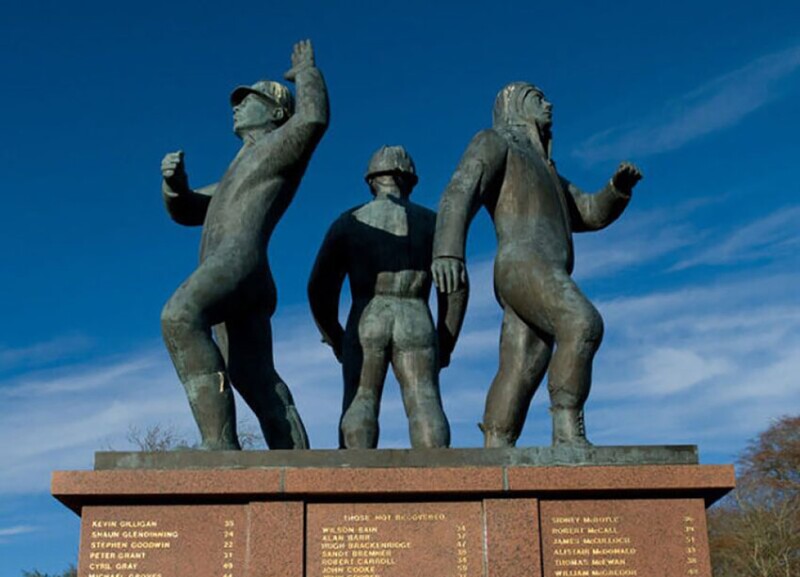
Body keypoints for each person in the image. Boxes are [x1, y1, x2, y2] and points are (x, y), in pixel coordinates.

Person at [432, 82, 642, 448]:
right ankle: (567, 430)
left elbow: (587, 211)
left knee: (523, 365)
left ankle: (496, 445)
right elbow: (460, 190)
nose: (549, 105)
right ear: (515, 106)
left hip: (545, 269)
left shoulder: (546, 169)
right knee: (581, 323)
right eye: (537, 99)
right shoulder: (494, 141)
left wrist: (615, 190)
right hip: (522, 263)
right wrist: (448, 251)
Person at [160, 40, 328, 450]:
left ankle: (218, 445)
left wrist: (306, 73)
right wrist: (175, 186)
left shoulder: (278, 148)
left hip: (238, 263)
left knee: (179, 316)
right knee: (253, 375)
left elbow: (313, 119)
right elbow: (188, 210)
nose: (237, 107)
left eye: (249, 100)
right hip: (239, 274)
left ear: (276, 113)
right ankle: (296, 462)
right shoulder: (238, 166)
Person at [308, 146, 467, 448]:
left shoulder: (348, 222)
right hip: (415, 314)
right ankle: (439, 474)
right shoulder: (433, 223)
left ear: (371, 181)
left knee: (361, 398)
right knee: (424, 400)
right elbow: (456, 285)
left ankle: (355, 474)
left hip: (367, 316)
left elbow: (319, 287)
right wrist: (445, 339)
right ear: (410, 181)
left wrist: (335, 335)